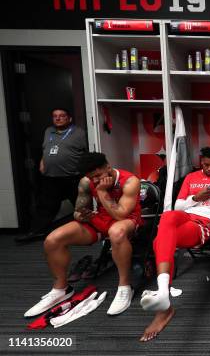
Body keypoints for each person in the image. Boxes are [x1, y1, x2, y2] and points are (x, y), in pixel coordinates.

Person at [24, 152, 141, 318]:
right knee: (53, 239)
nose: (94, 181)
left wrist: (102, 192)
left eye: (98, 176)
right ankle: (61, 289)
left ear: (108, 167)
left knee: (116, 232)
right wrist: (82, 215)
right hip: (99, 220)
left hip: (126, 221)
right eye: (91, 177)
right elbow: (77, 211)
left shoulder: (130, 181)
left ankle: (124, 287)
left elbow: (121, 215)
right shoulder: (86, 182)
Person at [139, 147, 210, 342]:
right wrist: (198, 198)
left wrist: (193, 201)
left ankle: (164, 301)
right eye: (205, 164)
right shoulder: (191, 177)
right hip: (184, 216)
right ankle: (164, 294)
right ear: (200, 160)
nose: (208, 169)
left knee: (159, 242)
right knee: (168, 215)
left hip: (204, 223)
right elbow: (178, 206)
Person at [15, 108, 88, 243]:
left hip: (72, 177)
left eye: (62, 116)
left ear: (69, 118)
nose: (58, 118)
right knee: (45, 207)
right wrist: (43, 162)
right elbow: (46, 149)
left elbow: (87, 152)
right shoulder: (49, 131)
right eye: (55, 116)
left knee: (81, 205)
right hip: (51, 178)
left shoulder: (79, 133)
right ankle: (35, 232)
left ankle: (89, 231)